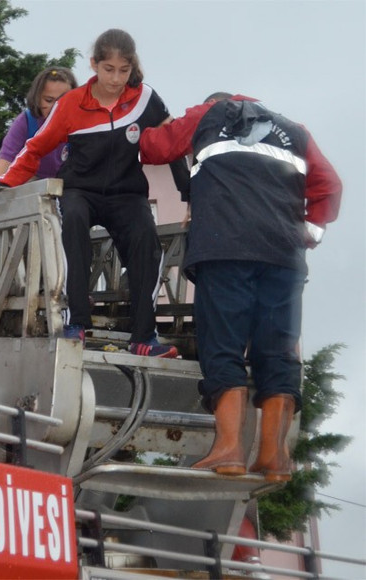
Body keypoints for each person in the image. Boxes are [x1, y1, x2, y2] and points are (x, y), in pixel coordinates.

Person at [139, 93, 342, 481]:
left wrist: (153, 127)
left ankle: (229, 450)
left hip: (226, 248)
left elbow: (154, 147)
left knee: (223, 346)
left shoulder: (208, 114)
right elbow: (328, 185)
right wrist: (308, 233)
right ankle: (274, 458)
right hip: (283, 256)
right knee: (279, 352)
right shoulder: (296, 132)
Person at [0, 29, 189, 357]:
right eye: (109, 70)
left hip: (126, 194)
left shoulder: (145, 99)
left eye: (124, 71)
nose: (116, 79)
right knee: (72, 221)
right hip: (80, 191)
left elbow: (173, 143)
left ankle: (144, 336)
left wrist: (191, 196)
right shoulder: (71, 104)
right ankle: (77, 324)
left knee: (146, 237)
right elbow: (34, 149)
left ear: (132, 67)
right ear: (94, 65)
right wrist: (2, 187)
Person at [0, 67, 78, 185]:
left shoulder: (81, 125)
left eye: (63, 101)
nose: (55, 107)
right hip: (32, 180)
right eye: (49, 100)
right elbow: (6, 160)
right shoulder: (26, 121)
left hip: (69, 181)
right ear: (38, 98)